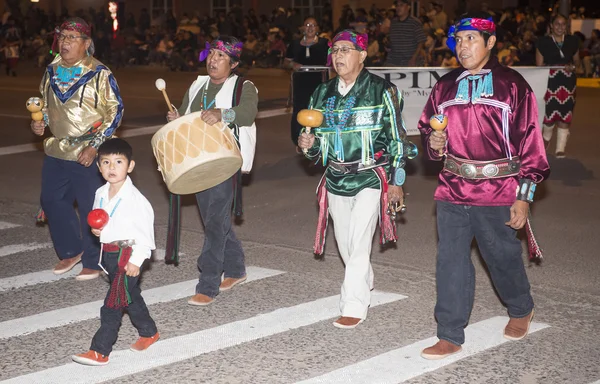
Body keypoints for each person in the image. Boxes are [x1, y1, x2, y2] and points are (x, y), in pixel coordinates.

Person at [417, 12, 550, 360]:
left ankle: (521, 307)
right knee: (450, 261)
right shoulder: (444, 86)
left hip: (499, 190)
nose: (463, 47)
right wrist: (433, 143)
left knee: (501, 257)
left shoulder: (513, 86)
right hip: (452, 187)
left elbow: (531, 145)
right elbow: (427, 132)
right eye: (459, 41)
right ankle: (449, 332)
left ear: (491, 43)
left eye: (471, 40)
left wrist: (524, 197)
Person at [298, 30, 417, 329]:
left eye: (346, 50)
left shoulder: (382, 91)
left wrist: (396, 181)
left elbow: (396, 138)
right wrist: (308, 146)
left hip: (370, 176)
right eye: (335, 50)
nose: (338, 56)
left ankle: (353, 304)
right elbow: (317, 148)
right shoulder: (321, 94)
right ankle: (365, 278)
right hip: (336, 176)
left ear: (362, 55)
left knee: (360, 240)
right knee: (345, 243)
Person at [166, 36, 258, 306]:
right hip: (196, 161)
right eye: (212, 54)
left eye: (221, 56)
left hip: (225, 161)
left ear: (234, 63)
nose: (213, 60)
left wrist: (222, 114)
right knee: (213, 220)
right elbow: (184, 115)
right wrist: (176, 117)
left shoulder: (243, 86)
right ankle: (236, 268)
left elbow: (248, 113)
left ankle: (208, 283)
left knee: (215, 222)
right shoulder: (198, 85)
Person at [31, 17, 124, 281]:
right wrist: (40, 123)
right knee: (51, 200)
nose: (65, 43)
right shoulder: (51, 70)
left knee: (89, 207)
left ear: (86, 44)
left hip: (88, 151)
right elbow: (47, 108)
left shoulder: (99, 73)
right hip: (56, 149)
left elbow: (115, 112)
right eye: (62, 37)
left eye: (72, 38)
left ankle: (94, 262)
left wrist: (96, 146)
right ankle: (72, 250)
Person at [72, 138, 159, 366]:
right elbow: (100, 218)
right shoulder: (101, 192)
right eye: (106, 162)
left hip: (126, 255)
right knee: (130, 297)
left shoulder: (136, 200)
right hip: (108, 254)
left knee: (112, 304)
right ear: (99, 167)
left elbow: (145, 236)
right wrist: (97, 230)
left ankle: (100, 350)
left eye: (118, 162)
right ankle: (149, 332)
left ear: (130, 166)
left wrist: (136, 261)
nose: (112, 168)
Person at [536, 13, 581, 158]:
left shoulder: (573, 41)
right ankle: (546, 138)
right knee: (549, 114)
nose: (560, 27)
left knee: (565, 112)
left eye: (563, 24)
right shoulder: (542, 42)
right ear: (551, 25)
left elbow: (577, 62)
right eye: (557, 24)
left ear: (567, 26)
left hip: (568, 83)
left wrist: (572, 67)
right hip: (549, 82)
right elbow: (539, 65)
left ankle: (560, 148)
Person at [284, 16, 329, 147]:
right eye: (307, 25)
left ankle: (318, 140)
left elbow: (333, 60)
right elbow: (286, 63)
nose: (310, 27)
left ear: (318, 29)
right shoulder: (295, 44)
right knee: (300, 110)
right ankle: (299, 140)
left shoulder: (325, 43)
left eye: (313, 25)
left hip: (320, 82)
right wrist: (292, 64)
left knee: (318, 109)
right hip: (300, 82)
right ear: (303, 28)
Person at [387, 0, 427, 67]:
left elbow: (421, 42)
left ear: (408, 7)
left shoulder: (415, 22)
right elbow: (391, 41)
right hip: (393, 60)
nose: (398, 8)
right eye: (397, 6)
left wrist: (413, 58)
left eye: (401, 5)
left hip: (410, 60)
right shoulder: (393, 23)